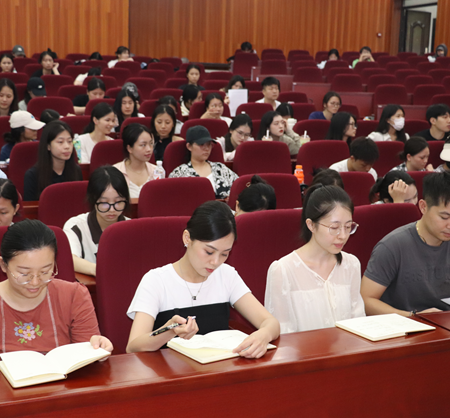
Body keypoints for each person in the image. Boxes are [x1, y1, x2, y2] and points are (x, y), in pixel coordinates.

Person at [0, 219, 113, 376]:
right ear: (3, 265)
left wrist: (97, 351)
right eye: (24, 273)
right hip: (0, 398)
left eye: (46, 271)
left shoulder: (74, 296)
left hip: (61, 394)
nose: (35, 282)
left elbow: (87, 365)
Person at [126, 201, 280, 356]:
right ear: (187, 238)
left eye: (225, 254)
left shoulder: (226, 275)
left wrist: (263, 336)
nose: (216, 262)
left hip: (219, 367)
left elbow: (270, 322)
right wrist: (170, 330)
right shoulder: (156, 280)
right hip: (168, 369)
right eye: (209, 252)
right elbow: (133, 346)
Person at [360, 171, 450, 315]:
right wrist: (413, 316)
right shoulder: (392, 247)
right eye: (444, 217)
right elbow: (365, 301)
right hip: (404, 324)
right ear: (423, 207)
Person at [265, 184, 364, 334]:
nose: (343, 236)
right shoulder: (283, 270)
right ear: (311, 225)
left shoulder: (351, 265)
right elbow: (282, 334)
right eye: (334, 228)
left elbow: (358, 323)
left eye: (348, 227)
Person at [64, 166, 130, 276]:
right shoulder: (76, 226)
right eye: (104, 203)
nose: (112, 209)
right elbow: (70, 259)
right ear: (93, 199)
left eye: (118, 202)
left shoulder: (132, 227)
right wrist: (101, 270)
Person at [169, 126, 238, 199]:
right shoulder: (179, 173)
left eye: (209, 144)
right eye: (201, 144)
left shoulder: (221, 168)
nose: (207, 148)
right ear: (189, 146)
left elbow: (239, 187)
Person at [23, 120, 83, 201]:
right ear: (48, 146)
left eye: (69, 141)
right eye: (60, 142)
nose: (67, 146)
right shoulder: (33, 175)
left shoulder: (76, 170)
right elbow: (31, 207)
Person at [115, 123, 165, 198]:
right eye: (143, 145)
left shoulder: (157, 171)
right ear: (129, 148)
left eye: (151, 144)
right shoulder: (115, 172)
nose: (149, 149)